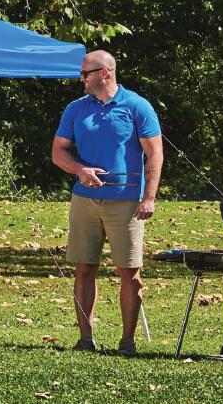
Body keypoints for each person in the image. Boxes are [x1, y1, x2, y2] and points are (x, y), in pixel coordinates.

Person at [51, 50, 163, 356]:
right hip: (84, 201)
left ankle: (127, 341)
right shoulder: (75, 109)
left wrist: (149, 197)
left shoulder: (137, 106)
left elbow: (155, 153)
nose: (81, 79)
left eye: (85, 73)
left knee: (129, 271)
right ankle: (86, 339)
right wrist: (79, 170)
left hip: (126, 202)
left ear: (105, 73)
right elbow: (58, 152)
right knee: (83, 268)